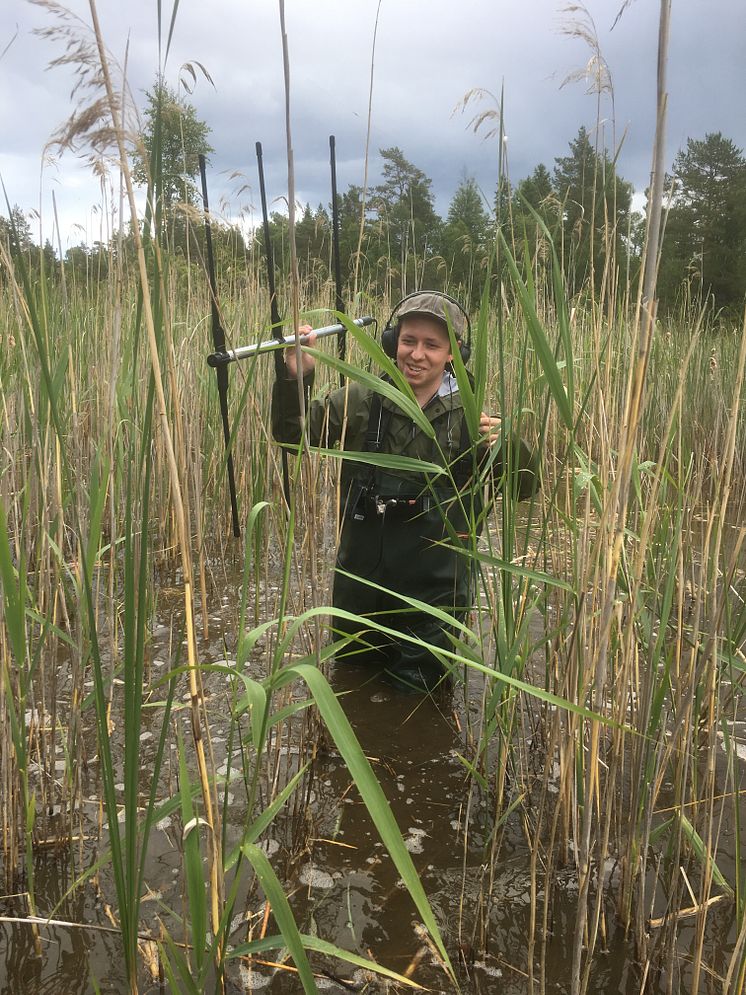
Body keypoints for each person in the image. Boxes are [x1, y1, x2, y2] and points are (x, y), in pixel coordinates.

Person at [271, 291, 539, 692]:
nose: (417, 354)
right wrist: (297, 376)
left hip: (434, 602)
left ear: (453, 354)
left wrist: (506, 444)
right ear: (391, 342)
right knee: (350, 689)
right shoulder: (362, 399)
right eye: (408, 340)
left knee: (419, 702)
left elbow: (524, 488)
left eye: (432, 345)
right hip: (358, 589)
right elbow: (293, 439)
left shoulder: (473, 416)